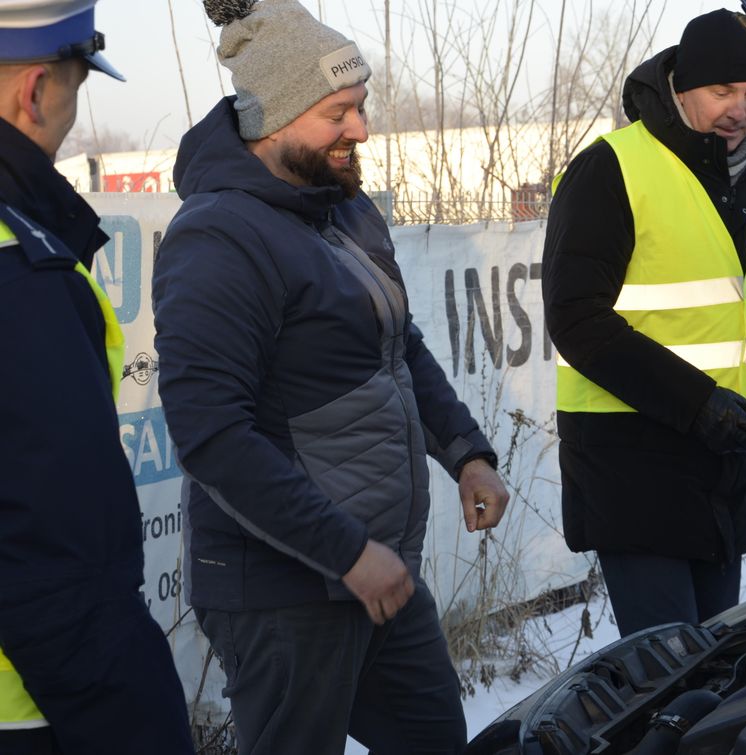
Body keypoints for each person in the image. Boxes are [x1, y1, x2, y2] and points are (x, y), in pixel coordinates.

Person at [152, 1, 510, 753]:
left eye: (361, 105)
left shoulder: (343, 210)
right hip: (286, 590)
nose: (362, 130)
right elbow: (211, 435)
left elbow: (397, 347)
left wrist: (467, 453)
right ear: (272, 119)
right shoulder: (219, 235)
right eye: (337, 113)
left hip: (378, 569)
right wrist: (345, 551)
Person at [543, 9, 746, 638]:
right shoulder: (613, 168)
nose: (740, 110)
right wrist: (699, 404)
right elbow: (576, 317)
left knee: (715, 664)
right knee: (667, 670)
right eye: (721, 92)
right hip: (632, 458)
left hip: (726, 459)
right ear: (681, 90)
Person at [0, 1, 196, 753]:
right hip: (27, 707)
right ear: (35, 90)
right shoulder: (21, 270)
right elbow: (57, 558)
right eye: (77, 88)